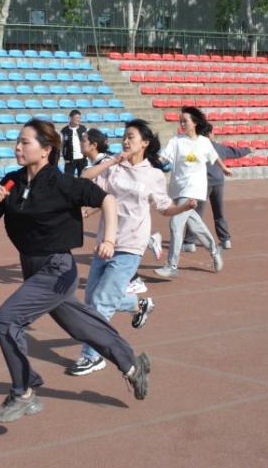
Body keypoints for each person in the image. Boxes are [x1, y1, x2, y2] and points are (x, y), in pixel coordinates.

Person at [0, 119, 150, 423]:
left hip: (57, 269)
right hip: (32, 268)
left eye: (25, 142)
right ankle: (133, 365)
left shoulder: (62, 183)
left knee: (5, 320)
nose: (17, 147)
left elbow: (106, 199)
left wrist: (109, 239)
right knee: (83, 327)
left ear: (46, 150)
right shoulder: (12, 181)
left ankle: (24, 392)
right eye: (17, 142)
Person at [66, 119, 197, 376]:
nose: (126, 141)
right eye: (124, 137)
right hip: (106, 241)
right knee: (91, 299)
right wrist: (112, 162)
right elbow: (86, 181)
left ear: (145, 143)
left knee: (102, 301)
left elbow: (164, 208)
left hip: (131, 244)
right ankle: (138, 306)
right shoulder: (114, 168)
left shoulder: (153, 175)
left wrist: (185, 207)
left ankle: (91, 356)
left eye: (131, 137)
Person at [81, 128, 162, 295]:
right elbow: (106, 197)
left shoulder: (108, 162)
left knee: (103, 293)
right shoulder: (102, 163)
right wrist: (89, 211)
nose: (81, 143)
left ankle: (148, 245)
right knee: (102, 290)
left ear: (93, 145)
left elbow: (111, 191)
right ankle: (136, 301)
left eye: (84, 141)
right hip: (118, 223)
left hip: (126, 227)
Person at [154, 106, 230, 278]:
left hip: (193, 188)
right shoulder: (176, 141)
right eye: (180, 121)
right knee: (195, 223)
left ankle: (172, 265)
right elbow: (163, 157)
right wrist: (153, 160)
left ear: (194, 123)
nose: (181, 123)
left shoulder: (204, 142)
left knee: (176, 224)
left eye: (185, 121)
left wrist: (224, 168)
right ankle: (214, 251)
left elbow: (214, 156)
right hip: (178, 188)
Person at [182, 129, 250, 252]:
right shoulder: (220, 147)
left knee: (196, 213)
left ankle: (189, 242)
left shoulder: (196, 148)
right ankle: (225, 240)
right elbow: (236, 152)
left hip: (202, 184)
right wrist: (248, 149)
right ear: (209, 134)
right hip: (218, 182)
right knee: (219, 212)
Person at [61, 109, 88, 176]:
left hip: (82, 159)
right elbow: (62, 146)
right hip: (70, 160)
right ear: (71, 118)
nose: (78, 120)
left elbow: (87, 142)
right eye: (77, 118)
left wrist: (86, 155)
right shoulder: (64, 131)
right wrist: (65, 158)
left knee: (83, 179)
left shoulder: (84, 129)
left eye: (79, 118)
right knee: (68, 179)